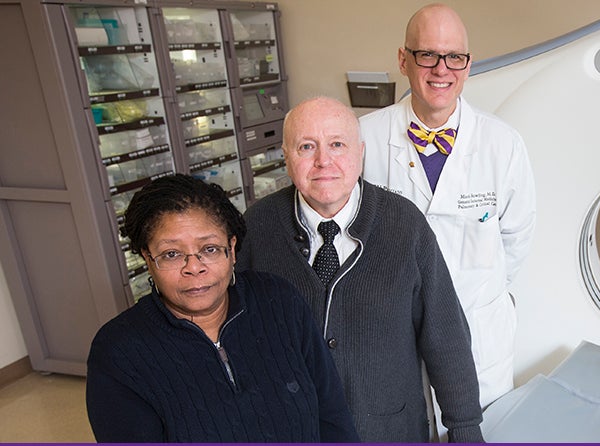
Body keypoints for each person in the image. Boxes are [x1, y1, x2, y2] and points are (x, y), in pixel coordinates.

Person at [236, 96, 484, 443]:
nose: (324, 161)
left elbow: (446, 335)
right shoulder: (257, 227)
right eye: (307, 146)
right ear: (286, 156)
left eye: (337, 144)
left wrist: (465, 429)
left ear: (361, 152)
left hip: (388, 430)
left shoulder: (404, 224)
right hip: (289, 430)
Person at [85, 174, 359, 443]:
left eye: (210, 249)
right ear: (148, 258)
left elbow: (332, 416)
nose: (194, 267)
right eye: (172, 254)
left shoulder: (279, 300)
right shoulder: (118, 352)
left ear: (232, 247)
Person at [360, 3, 537, 410]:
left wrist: (480, 291)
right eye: (428, 54)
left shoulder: (502, 144)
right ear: (403, 60)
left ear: (468, 65)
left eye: (454, 57)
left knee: (476, 427)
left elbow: (517, 237)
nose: (442, 69)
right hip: (394, 330)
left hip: (478, 327)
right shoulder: (364, 138)